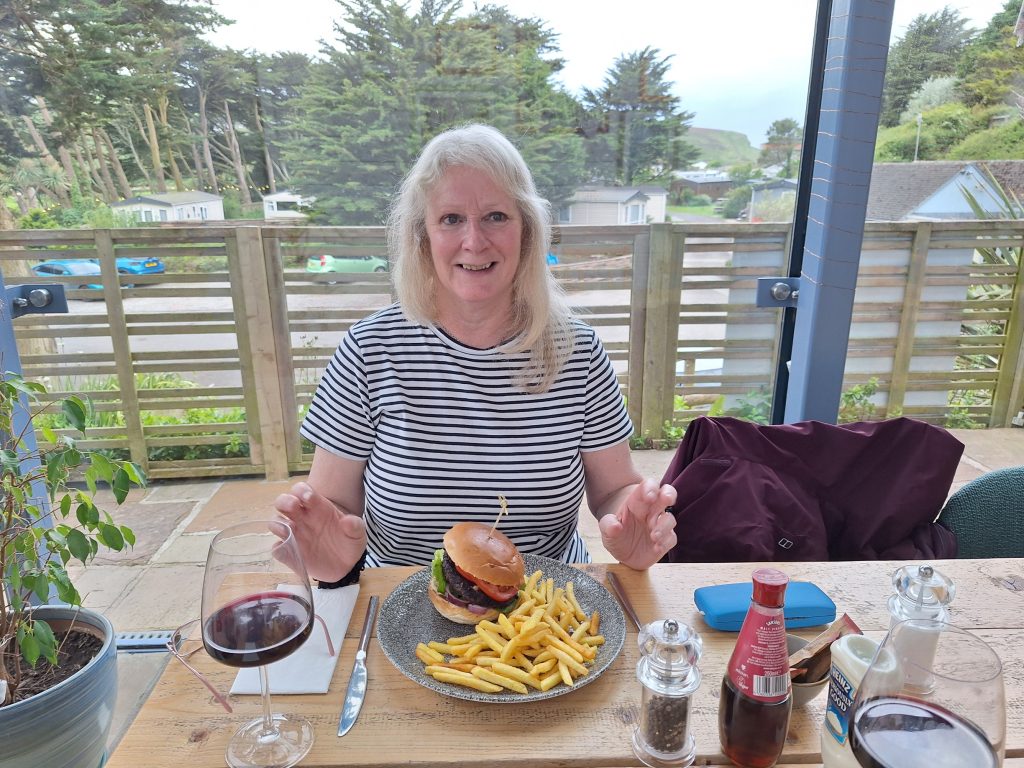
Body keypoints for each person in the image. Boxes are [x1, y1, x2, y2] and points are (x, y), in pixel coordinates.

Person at [274, 124, 676, 585]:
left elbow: (614, 489)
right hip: (399, 603)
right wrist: (330, 558)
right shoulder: (369, 350)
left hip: (543, 606)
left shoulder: (579, 352)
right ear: (422, 236)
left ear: (527, 232)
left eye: (496, 216)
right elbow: (334, 506)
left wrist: (630, 525)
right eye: (451, 219)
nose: (474, 241)